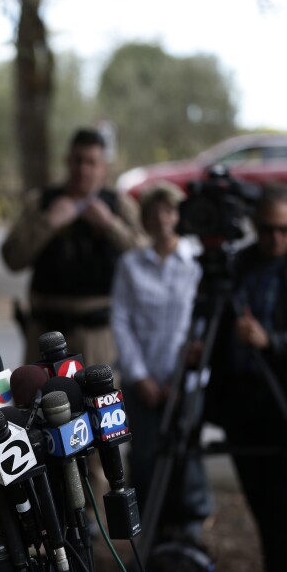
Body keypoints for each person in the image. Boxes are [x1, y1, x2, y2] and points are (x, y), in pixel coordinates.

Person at [205, 183, 287, 572]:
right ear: (253, 225)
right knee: (264, 511)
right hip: (241, 406)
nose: (275, 237)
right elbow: (217, 325)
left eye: (284, 230)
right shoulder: (236, 265)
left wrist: (270, 341)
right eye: (266, 229)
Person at [110, 182, 211, 543]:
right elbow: (120, 320)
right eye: (153, 213)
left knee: (186, 452)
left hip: (185, 381)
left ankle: (189, 531)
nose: (161, 219)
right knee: (145, 457)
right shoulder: (130, 264)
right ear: (145, 219)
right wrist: (139, 376)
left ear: (177, 215)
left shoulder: (196, 261)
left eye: (167, 211)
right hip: (143, 380)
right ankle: (150, 533)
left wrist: (182, 377)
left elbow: (202, 321)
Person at [0, 128, 144, 367]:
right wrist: (48, 223)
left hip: (98, 337)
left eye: (91, 162)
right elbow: (12, 258)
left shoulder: (118, 206)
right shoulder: (41, 203)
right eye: (77, 161)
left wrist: (110, 225)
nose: (83, 169)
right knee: (38, 402)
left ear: (103, 168)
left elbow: (143, 257)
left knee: (99, 400)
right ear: (67, 162)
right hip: (44, 334)